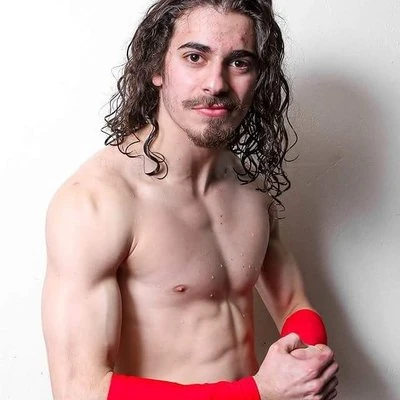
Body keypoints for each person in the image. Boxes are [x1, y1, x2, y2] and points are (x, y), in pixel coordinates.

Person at [41, 1, 339, 399]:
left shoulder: (250, 190)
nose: (215, 83)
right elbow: (79, 389)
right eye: (195, 57)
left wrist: (307, 364)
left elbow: (293, 303)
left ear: (258, 77)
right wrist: (258, 393)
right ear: (157, 67)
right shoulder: (97, 202)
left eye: (239, 62)